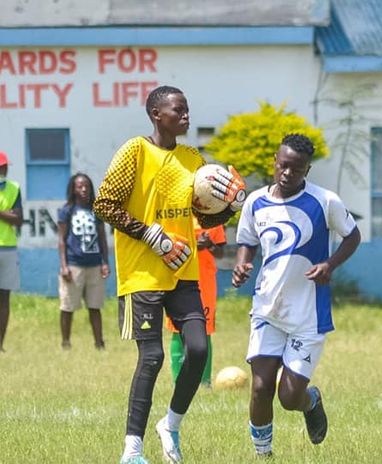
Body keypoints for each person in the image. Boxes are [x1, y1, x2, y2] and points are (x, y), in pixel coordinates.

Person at [93, 85, 246, 464]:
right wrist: (150, 235)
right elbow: (105, 204)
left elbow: (204, 218)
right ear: (156, 114)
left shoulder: (193, 159)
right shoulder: (135, 151)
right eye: (178, 110)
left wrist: (231, 206)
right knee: (152, 357)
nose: (186, 115)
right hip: (142, 274)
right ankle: (132, 449)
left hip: (183, 272)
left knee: (198, 349)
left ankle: (171, 425)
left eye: (187, 109)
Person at [231, 133, 361, 457]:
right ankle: (264, 455)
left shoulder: (324, 201)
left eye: (297, 169)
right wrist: (242, 264)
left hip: (308, 314)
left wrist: (329, 264)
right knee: (261, 387)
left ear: (307, 170)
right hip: (267, 309)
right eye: (283, 165)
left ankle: (311, 401)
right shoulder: (255, 202)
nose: (287, 173)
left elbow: (352, 236)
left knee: (289, 398)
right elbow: (247, 240)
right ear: (274, 161)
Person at [164, 219, 226, 387]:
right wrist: (192, 246)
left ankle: (204, 382)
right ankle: (178, 381)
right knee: (178, 329)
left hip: (205, 281)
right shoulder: (176, 215)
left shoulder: (213, 218)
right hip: (179, 278)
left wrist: (209, 245)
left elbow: (221, 252)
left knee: (205, 329)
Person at [57, 173, 110, 350]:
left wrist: (105, 262)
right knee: (68, 306)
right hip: (74, 264)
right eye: (79, 186)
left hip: (94, 264)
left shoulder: (96, 210)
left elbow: (102, 238)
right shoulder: (67, 210)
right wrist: (64, 266)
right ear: (73, 189)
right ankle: (65, 342)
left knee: (95, 306)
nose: (84, 189)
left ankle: (99, 343)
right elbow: (61, 240)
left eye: (86, 185)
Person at [0, 151, 22, 353]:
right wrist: (7, 214)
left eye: (5, 167)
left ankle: (0, 344)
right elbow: (11, 216)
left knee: (4, 298)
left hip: (8, 247)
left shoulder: (14, 188)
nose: (4, 170)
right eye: (1, 167)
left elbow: (18, 219)